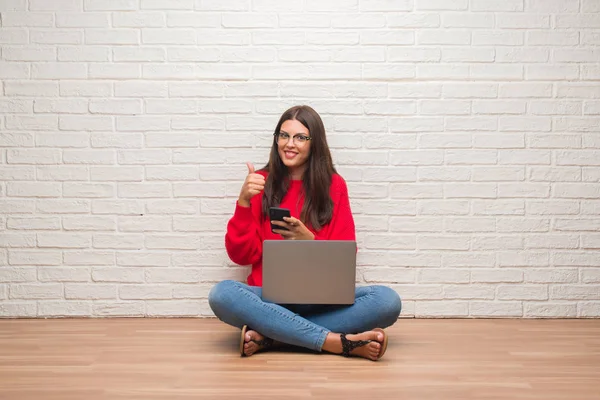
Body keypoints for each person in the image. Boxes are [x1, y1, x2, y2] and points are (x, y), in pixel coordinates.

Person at [208, 105, 402, 361]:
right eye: (284, 135)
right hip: (269, 298)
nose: (290, 144)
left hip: (322, 300)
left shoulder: (335, 185)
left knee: (387, 301)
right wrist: (244, 202)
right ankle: (333, 341)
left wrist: (307, 240)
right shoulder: (261, 182)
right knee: (222, 294)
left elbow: (345, 256)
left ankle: (274, 336)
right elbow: (241, 255)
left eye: (300, 137)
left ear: (315, 143)